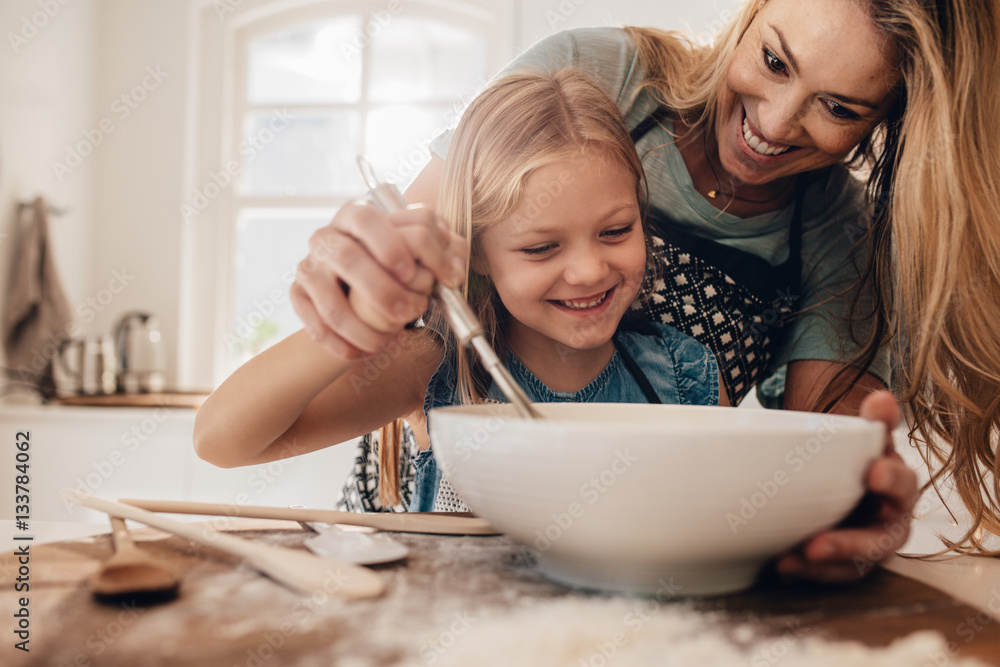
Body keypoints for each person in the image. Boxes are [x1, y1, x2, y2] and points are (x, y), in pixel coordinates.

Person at [290, 0, 1000, 576]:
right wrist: (363, 279)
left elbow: (813, 462)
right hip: (422, 513)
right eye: (774, 60)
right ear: (750, 15)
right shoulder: (600, 76)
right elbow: (420, 261)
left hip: (630, 566)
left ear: (889, 122)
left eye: (840, 108)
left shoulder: (843, 240)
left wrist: (842, 509)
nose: (775, 125)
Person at [195, 69, 730, 514]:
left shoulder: (687, 377)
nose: (589, 271)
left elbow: (726, 520)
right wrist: (356, 327)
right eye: (542, 248)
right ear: (476, 251)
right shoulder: (436, 369)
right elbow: (221, 442)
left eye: (615, 231)